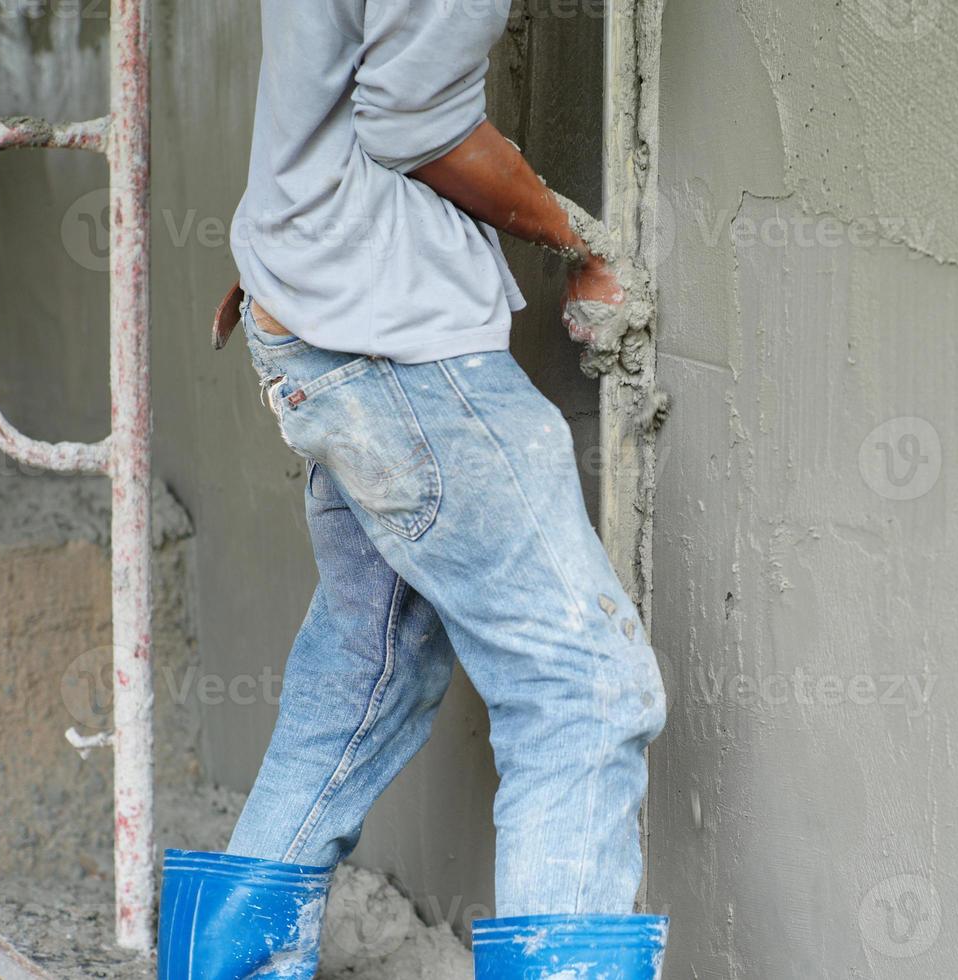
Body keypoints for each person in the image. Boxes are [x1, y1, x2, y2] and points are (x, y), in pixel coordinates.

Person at [154, 1, 670, 977]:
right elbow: (415, 121)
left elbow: (334, 86)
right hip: (402, 346)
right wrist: (588, 242)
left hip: (325, 314)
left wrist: (292, 253)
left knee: (367, 664)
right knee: (584, 688)